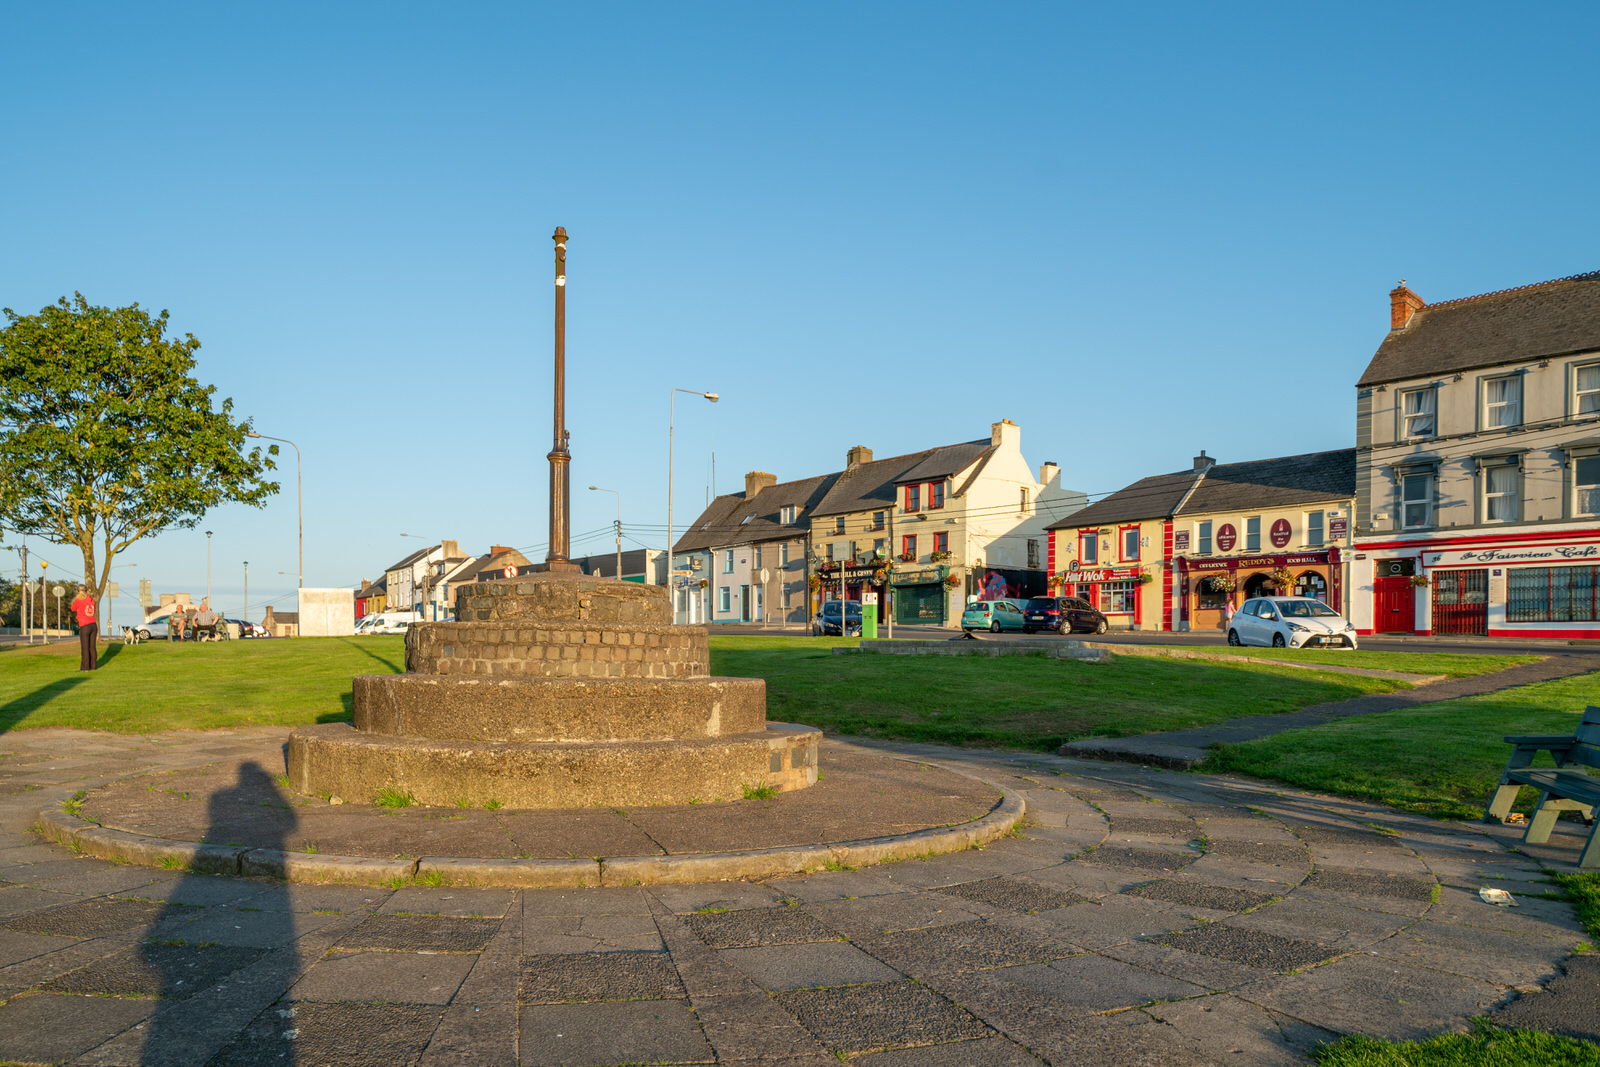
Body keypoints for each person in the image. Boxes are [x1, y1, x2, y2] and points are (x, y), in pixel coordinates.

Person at [70, 587, 98, 671]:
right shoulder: (91, 600)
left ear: (77, 591)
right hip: (93, 625)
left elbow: (73, 608)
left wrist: (76, 598)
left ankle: (85, 667)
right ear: (86, 591)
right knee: (92, 647)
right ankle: (93, 666)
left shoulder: (78, 601)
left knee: (85, 648)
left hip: (84, 626)